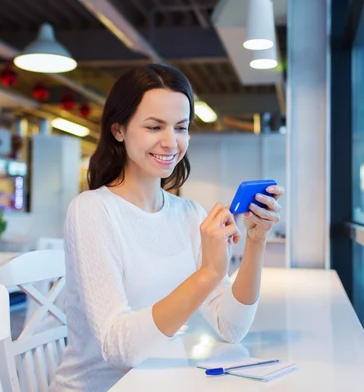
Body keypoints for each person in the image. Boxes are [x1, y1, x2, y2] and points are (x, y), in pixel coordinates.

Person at [49, 63, 284, 392]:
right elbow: (119, 348)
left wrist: (255, 242)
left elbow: (232, 328)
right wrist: (207, 273)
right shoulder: (92, 210)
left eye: (180, 127)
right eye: (154, 126)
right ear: (118, 130)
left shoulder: (189, 214)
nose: (171, 142)